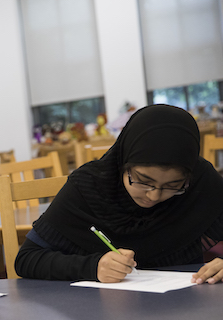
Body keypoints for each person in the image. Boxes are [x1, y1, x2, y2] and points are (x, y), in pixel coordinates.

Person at [14, 104, 223, 283]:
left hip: (187, 308)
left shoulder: (202, 182)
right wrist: (92, 267)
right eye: (143, 181)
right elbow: (26, 259)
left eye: (173, 186)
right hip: (100, 314)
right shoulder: (89, 186)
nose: (153, 196)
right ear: (123, 162)